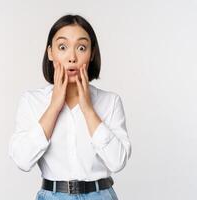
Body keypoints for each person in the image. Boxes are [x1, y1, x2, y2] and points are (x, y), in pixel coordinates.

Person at [8, 14, 131, 200]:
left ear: (91, 54)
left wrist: (88, 109)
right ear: (50, 52)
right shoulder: (32, 101)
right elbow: (22, 160)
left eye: (81, 48)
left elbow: (117, 162)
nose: (72, 57)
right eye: (62, 47)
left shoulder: (110, 101)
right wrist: (54, 107)